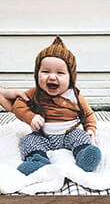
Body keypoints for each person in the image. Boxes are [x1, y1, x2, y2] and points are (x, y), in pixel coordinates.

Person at [6, 35, 102, 178]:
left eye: (60, 73)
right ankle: (38, 159)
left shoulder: (74, 95)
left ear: (71, 77)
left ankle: (84, 155)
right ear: (37, 74)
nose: (52, 77)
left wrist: (90, 129)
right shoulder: (35, 93)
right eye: (45, 72)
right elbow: (18, 105)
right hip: (43, 135)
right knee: (28, 141)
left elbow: (88, 114)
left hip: (69, 133)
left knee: (80, 137)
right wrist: (31, 117)